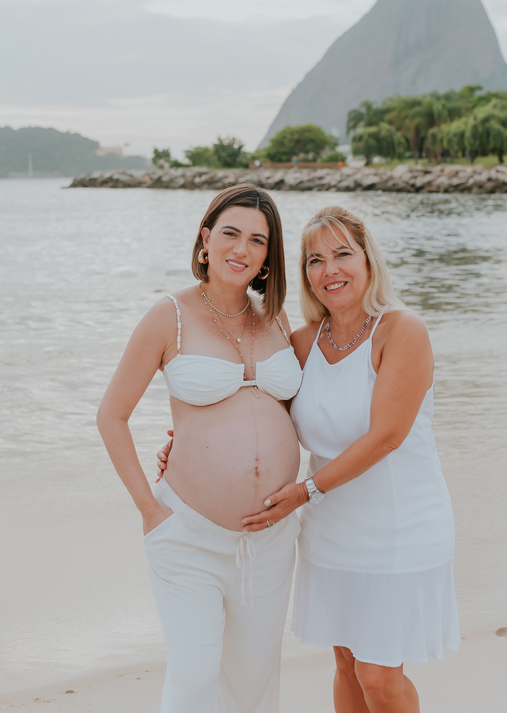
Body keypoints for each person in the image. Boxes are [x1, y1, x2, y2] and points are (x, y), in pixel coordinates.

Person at [159, 205, 459, 713]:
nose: (330, 270)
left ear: (368, 260)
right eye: (315, 260)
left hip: (400, 528)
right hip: (331, 532)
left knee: (379, 676)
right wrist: (186, 442)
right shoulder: (302, 344)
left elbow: (386, 436)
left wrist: (303, 492)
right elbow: (253, 408)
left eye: (343, 254)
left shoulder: (401, 331)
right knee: (345, 664)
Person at [96, 184, 303, 713]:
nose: (242, 249)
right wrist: (151, 510)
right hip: (187, 534)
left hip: (272, 536)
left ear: (267, 255)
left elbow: (289, 414)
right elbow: (111, 416)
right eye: (230, 233)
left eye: (258, 240)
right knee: (193, 680)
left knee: (255, 684)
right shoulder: (170, 316)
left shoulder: (276, 317)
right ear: (205, 239)